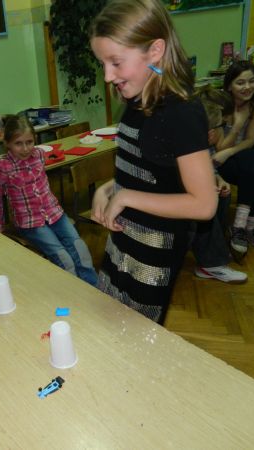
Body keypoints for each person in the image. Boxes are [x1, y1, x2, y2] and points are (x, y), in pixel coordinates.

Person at [89, 0, 217, 324]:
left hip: (154, 251)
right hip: (124, 237)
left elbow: (204, 204)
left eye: (116, 62)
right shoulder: (137, 97)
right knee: (110, 317)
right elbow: (154, 172)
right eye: (103, 63)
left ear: (155, 50)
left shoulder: (181, 113)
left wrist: (126, 197)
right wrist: (109, 190)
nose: (108, 76)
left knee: (138, 332)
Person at [0, 115, 98, 286]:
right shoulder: (3, 167)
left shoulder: (39, 154)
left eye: (29, 142)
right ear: (7, 143)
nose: (25, 148)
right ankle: (74, 291)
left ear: (35, 139)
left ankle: (93, 288)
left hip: (54, 213)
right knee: (63, 258)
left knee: (79, 248)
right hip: (30, 223)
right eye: (18, 143)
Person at [212, 61, 254, 254]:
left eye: (252, 81)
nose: (247, 87)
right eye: (240, 82)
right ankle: (249, 225)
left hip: (235, 156)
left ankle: (241, 225)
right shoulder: (220, 104)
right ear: (229, 85)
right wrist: (237, 126)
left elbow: (250, 140)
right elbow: (219, 147)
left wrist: (230, 151)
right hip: (216, 162)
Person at [191, 97, 247, 284]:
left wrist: (219, 180)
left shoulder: (203, 144)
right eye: (217, 126)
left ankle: (214, 251)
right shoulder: (187, 146)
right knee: (206, 204)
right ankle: (212, 263)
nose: (218, 131)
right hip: (178, 198)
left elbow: (208, 169)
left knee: (223, 195)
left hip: (194, 190)